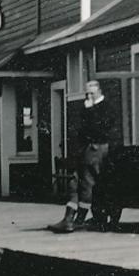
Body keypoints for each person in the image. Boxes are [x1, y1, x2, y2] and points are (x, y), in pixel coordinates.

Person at [49, 80, 110, 233]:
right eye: (87, 93)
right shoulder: (87, 107)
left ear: (100, 91)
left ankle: (76, 220)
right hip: (85, 150)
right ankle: (70, 219)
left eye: (92, 93)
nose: (89, 96)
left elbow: (100, 129)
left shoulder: (105, 107)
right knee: (76, 183)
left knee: (84, 184)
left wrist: (90, 111)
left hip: (96, 149)